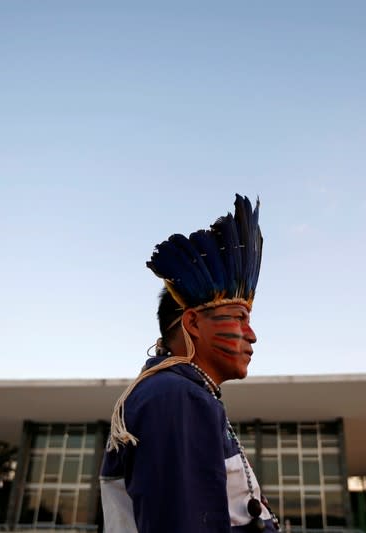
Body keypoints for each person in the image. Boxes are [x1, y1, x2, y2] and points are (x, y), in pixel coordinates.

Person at [100, 195, 279, 532]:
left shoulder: (179, 393)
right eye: (239, 319)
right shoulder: (175, 397)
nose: (251, 335)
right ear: (194, 324)